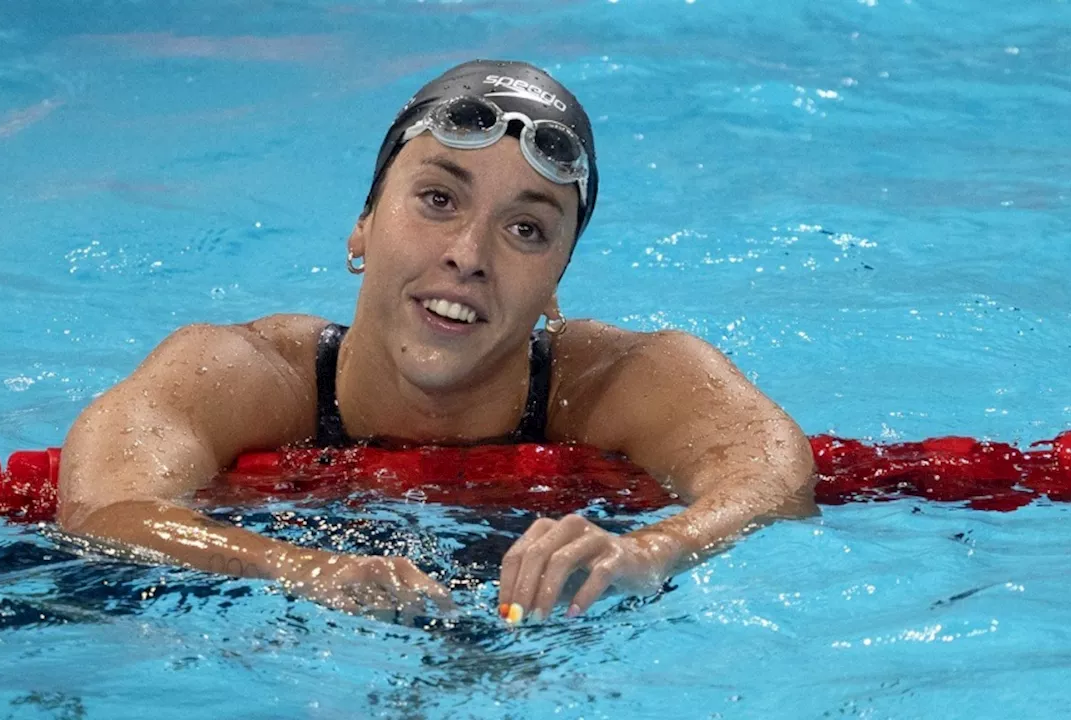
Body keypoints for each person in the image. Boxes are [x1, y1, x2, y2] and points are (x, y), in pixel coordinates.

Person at [57, 59, 817, 623]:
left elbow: (773, 473)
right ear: (363, 224)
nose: (469, 254)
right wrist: (301, 570)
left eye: (526, 228)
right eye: (438, 198)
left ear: (556, 282)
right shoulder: (242, 373)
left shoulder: (620, 380)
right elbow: (104, 507)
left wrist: (648, 552)